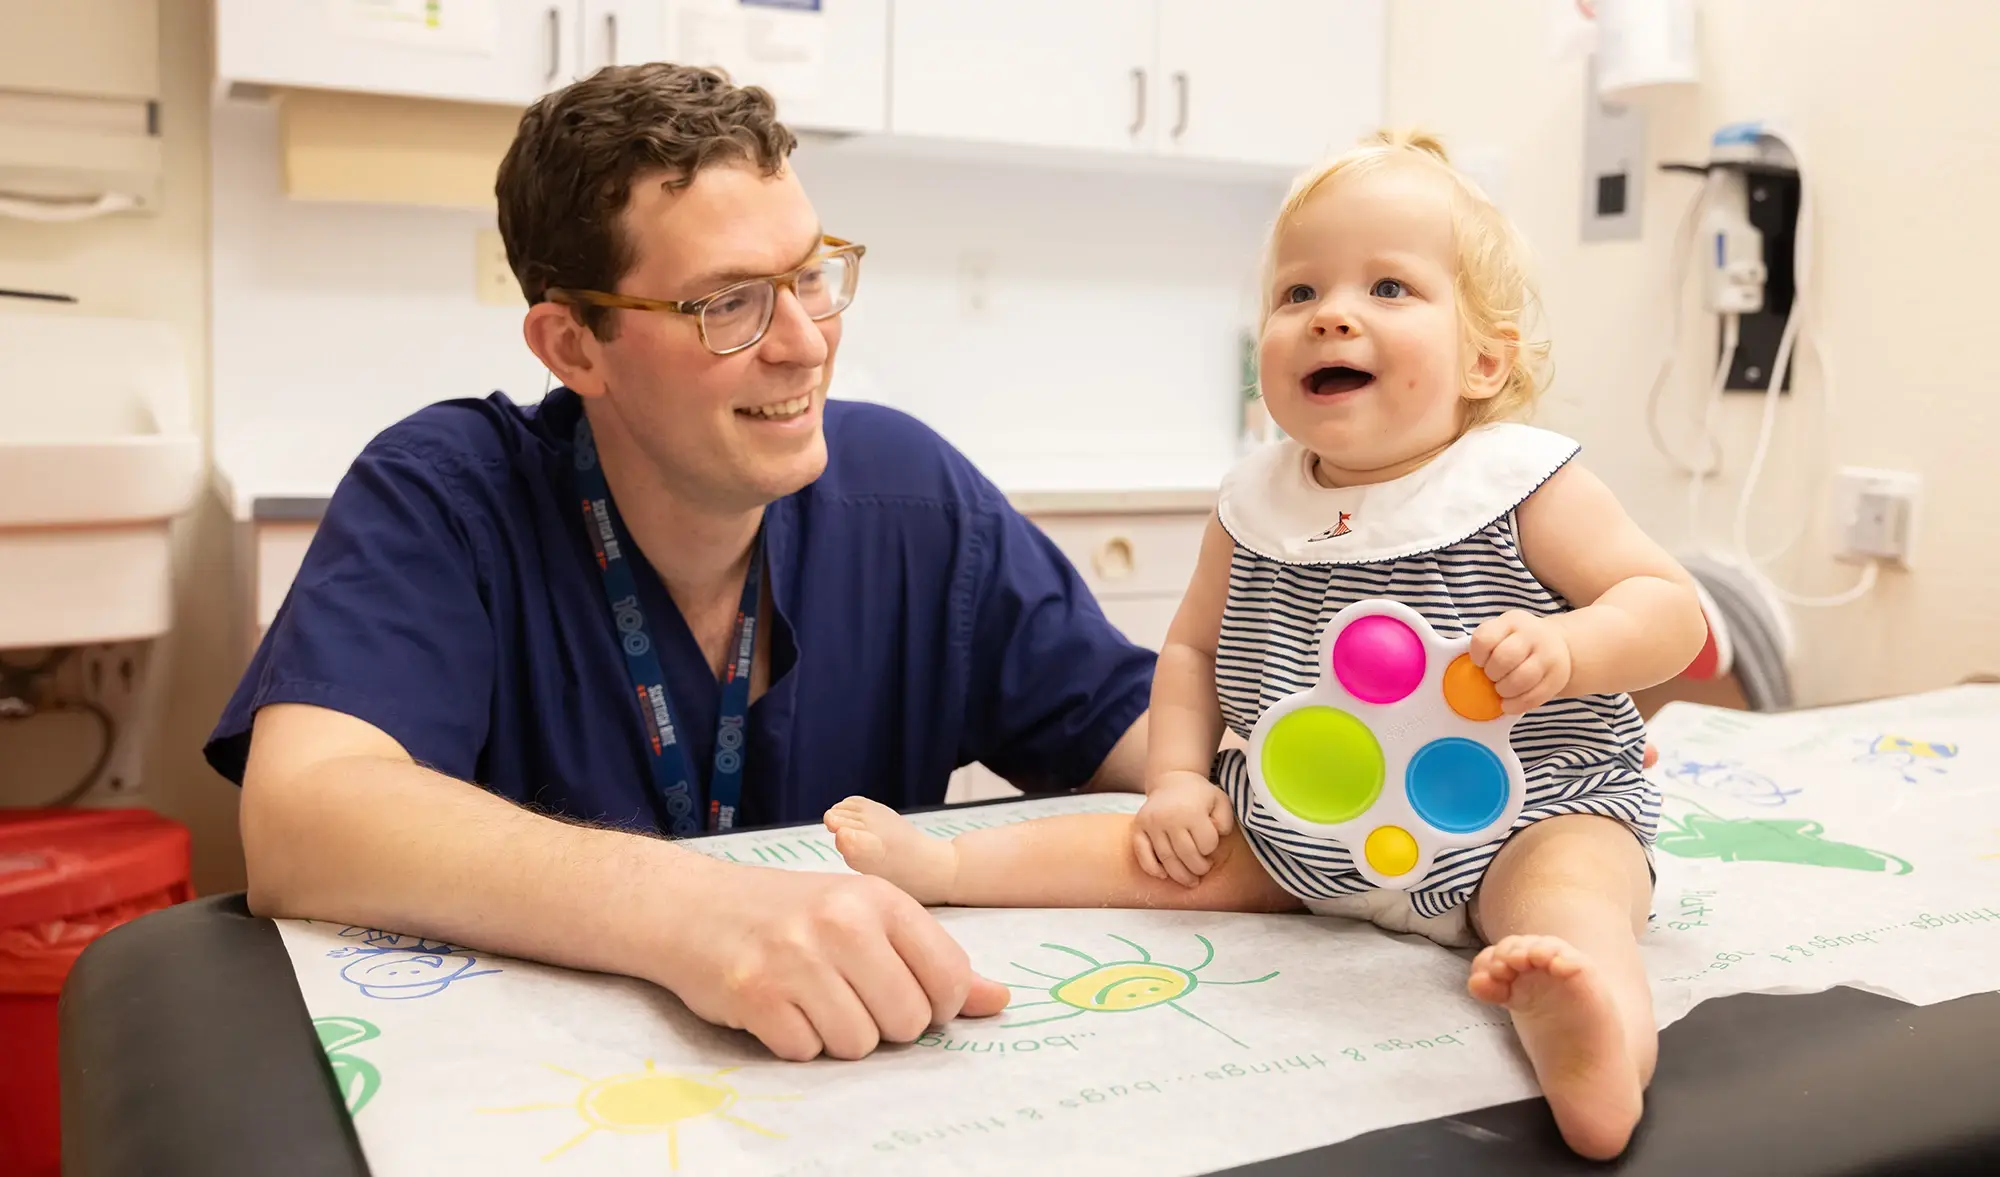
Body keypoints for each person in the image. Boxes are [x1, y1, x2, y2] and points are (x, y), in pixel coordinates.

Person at [204, 63, 1158, 1064]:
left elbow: (1164, 754)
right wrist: (694, 912)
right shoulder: (448, 498)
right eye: (727, 304)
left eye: (810, 276)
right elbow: (302, 818)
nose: (802, 345)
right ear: (574, 348)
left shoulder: (911, 500)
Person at [823, 130, 1706, 1160]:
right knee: (1150, 844)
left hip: (1525, 816)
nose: (1330, 311)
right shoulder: (1253, 505)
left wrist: (1572, 647)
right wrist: (1172, 781)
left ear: (1483, 357)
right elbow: (1190, 654)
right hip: (1303, 829)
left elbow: (1669, 609)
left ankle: (1588, 1029)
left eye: (1387, 287)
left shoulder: (1518, 481)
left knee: (1572, 894)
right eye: (1296, 294)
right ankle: (950, 865)